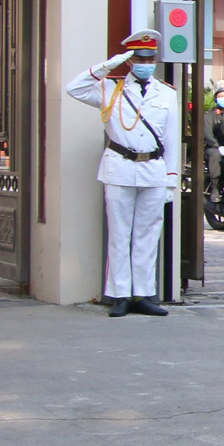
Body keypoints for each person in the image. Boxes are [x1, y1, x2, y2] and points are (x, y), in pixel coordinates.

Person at [66, 30, 181, 317]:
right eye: (140, 58)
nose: (146, 62)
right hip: (119, 167)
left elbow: (171, 138)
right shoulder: (109, 88)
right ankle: (119, 294)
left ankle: (142, 294)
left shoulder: (166, 93)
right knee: (119, 234)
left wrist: (171, 179)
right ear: (130, 61)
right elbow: (73, 88)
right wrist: (108, 65)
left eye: (150, 57)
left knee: (148, 233)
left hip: (153, 169)